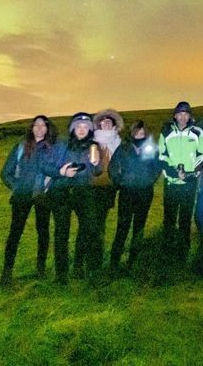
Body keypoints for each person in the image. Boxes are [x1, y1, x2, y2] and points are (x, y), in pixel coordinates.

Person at [40, 112, 104, 284]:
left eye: (85, 127)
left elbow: (97, 171)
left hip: (83, 191)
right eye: (78, 126)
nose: (82, 130)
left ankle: (90, 271)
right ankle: (61, 275)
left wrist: (97, 164)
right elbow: (44, 164)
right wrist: (61, 172)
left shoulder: (93, 146)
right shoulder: (61, 145)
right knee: (61, 233)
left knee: (90, 230)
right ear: (73, 128)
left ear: (89, 130)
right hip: (61, 191)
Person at [0, 115, 57, 285]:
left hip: (43, 196)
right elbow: (5, 172)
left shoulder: (52, 148)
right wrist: (17, 187)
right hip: (22, 196)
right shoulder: (21, 146)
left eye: (43, 125)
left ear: (47, 128)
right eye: (36, 125)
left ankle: (40, 269)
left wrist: (49, 186)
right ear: (31, 128)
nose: (39, 128)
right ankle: (7, 272)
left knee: (43, 233)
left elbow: (56, 171)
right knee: (15, 234)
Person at [108, 120, 161, 270]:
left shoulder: (151, 148)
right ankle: (114, 263)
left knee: (139, 228)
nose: (140, 135)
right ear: (132, 132)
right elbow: (113, 166)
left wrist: (149, 181)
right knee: (122, 228)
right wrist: (119, 182)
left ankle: (133, 262)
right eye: (137, 132)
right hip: (127, 193)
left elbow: (157, 167)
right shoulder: (124, 147)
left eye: (142, 132)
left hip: (144, 193)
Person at [158, 101, 203, 259]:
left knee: (185, 218)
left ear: (190, 116)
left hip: (189, 183)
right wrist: (174, 173)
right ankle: (167, 250)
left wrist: (192, 173)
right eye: (179, 113)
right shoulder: (166, 131)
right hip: (171, 183)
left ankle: (182, 252)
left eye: (186, 113)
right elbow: (162, 156)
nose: (182, 117)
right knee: (169, 219)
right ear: (175, 115)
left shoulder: (197, 132)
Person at [88, 109, 123, 273]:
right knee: (94, 224)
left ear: (114, 126)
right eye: (104, 121)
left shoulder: (118, 143)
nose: (107, 123)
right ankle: (92, 260)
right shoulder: (93, 143)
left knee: (100, 222)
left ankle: (96, 258)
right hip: (92, 188)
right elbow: (91, 166)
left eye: (110, 122)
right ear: (99, 124)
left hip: (109, 189)